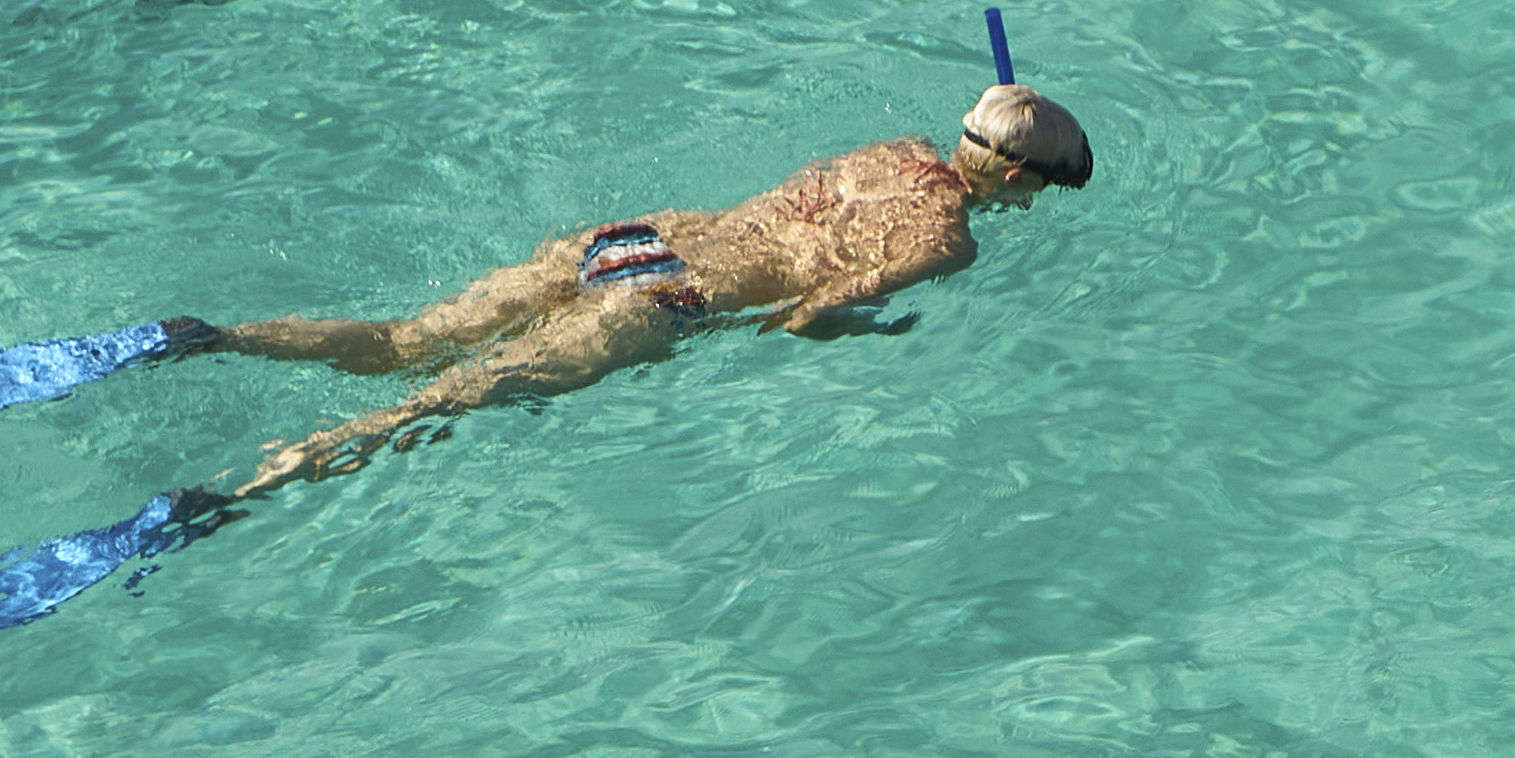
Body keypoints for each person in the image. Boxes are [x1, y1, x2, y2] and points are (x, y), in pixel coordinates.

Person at [181, 76, 1095, 502]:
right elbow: (804, 317)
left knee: (404, 342)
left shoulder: (888, 153)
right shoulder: (945, 239)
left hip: (639, 239)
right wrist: (872, 330)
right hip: (666, 301)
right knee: (431, 407)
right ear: (1016, 182)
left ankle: (207, 337)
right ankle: (259, 483)